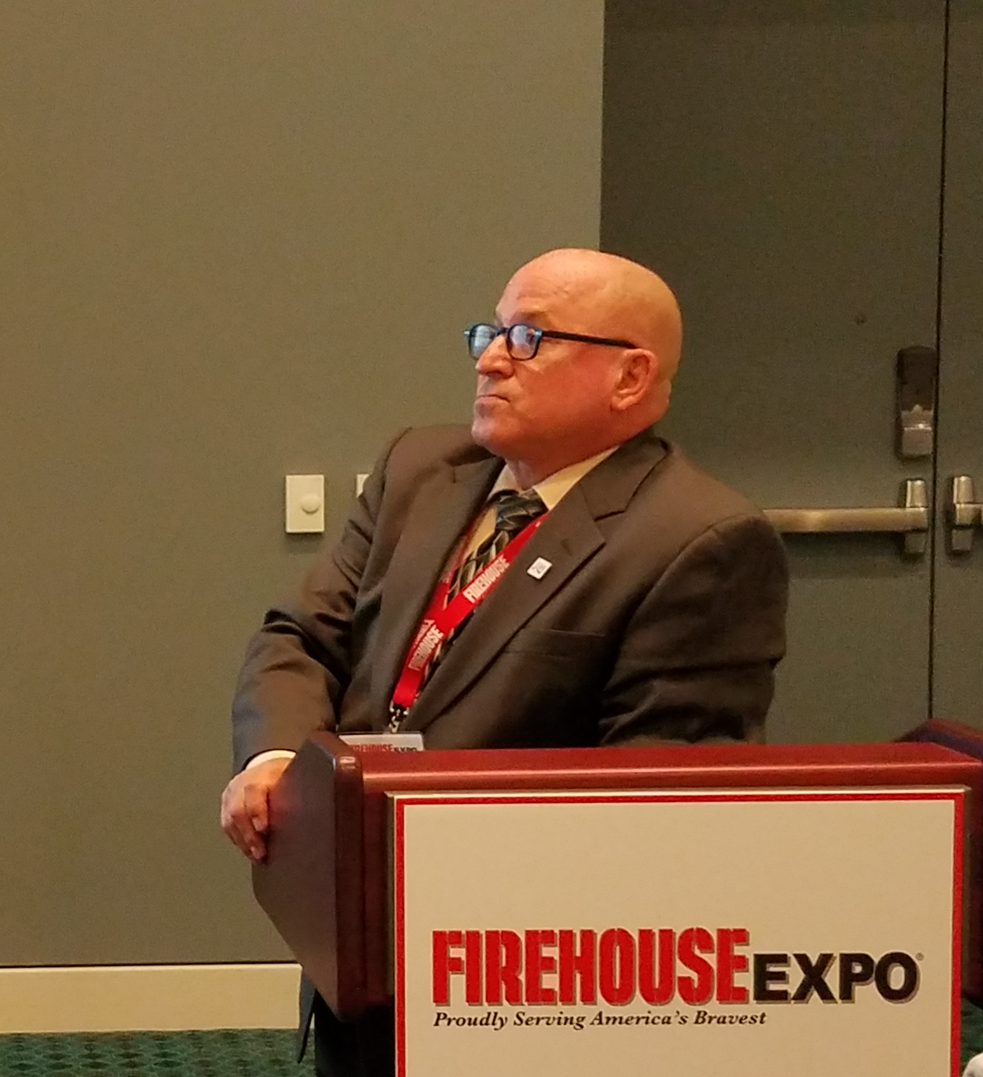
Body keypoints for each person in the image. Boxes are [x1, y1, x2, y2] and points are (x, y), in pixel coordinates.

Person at [218, 248, 789, 1075]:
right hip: (358, 940)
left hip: (521, 983)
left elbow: (660, 791)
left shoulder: (698, 539)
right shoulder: (422, 468)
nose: (489, 357)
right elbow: (301, 636)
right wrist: (279, 759)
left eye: (529, 337)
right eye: (490, 330)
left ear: (629, 377)